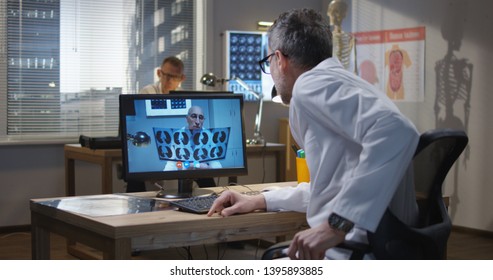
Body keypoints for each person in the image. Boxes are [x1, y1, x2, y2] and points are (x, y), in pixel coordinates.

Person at [207, 8, 420, 260]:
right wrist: (260, 201)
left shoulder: (309, 85)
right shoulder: (341, 82)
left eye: (268, 64)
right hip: (377, 249)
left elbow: (398, 130)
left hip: (355, 254)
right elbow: (330, 190)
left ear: (279, 59)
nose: (272, 73)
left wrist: (336, 226)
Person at [164, 106, 222, 171]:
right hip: (183, 175)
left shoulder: (209, 135)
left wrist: (207, 168)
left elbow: (215, 162)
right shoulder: (177, 135)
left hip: (203, 174)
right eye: (194, 116)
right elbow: (171, 162)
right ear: (187, 119)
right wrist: (164, 177)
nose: (197, 121)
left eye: (201, 117)